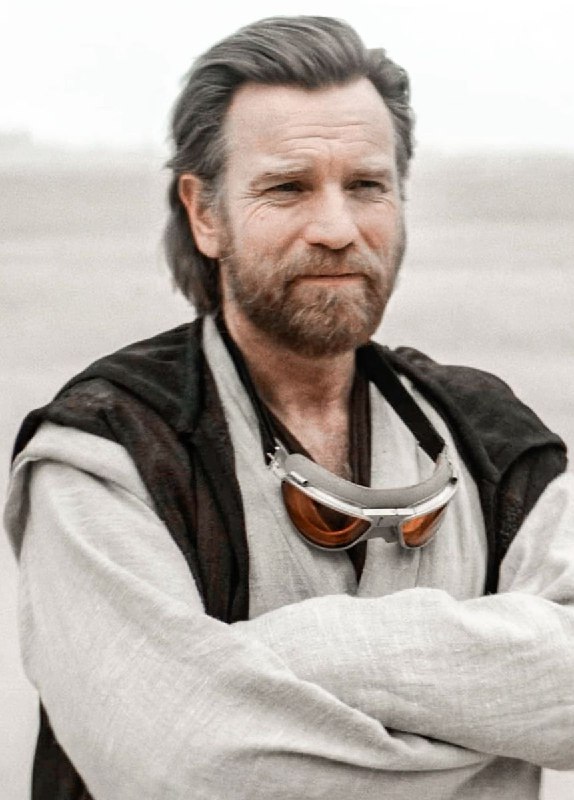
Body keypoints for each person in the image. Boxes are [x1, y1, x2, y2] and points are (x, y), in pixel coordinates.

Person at [4, 15, 574, 800]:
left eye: (366, 186)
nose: (336, 229)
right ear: (205, 213)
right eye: (287, 187)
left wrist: (312, 649)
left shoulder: (487, 438)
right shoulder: (109, 451)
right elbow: (185, 765)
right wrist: (481, 721)